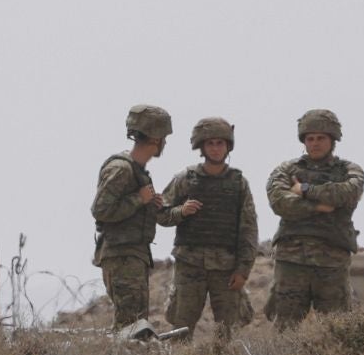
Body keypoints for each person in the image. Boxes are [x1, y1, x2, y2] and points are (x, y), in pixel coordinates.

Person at [157, 116, 258, 341]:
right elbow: (160, 214)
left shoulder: (239, 183)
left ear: (227, 146)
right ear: (201, 146)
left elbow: (248, 229)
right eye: (210, 143)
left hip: (226, 267)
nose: (215, 148)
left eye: (219, 143)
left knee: (227, 330)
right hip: (190, 264)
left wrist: (243, 270)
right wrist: (181, 212)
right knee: (181, 327)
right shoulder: (185, 179)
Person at [265, 108, 364, 323]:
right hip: (291, 261)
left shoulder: (349, 170)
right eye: (310, 138)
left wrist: (305, 190)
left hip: (332, 262)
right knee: (285, 328)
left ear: (333, 140)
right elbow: (279, 202)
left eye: (321, 138)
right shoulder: (286, 169)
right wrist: (317, 207)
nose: (315, 143)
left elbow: (348, 192)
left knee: (337, 328)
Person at [91, 104, 177, 327]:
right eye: (164, 138)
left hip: (133, 256)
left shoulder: (137, 171)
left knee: (136, 325)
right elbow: (100, 209)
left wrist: (150, 204)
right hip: (121, 257)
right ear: (156, 139)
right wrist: (139, 199)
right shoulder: (122, 169)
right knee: (130, 327)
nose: (165, 144)